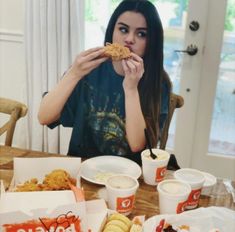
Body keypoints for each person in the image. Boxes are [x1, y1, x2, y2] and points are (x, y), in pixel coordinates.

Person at [38, 0, 171, 165]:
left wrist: (131, 89)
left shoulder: (158, 83)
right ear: (112, 32)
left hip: (128, 176)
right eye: (123, 29)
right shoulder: (88, 70)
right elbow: (44, 117)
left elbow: (137, 145)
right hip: (81, 168)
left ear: (152, 41)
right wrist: (74, 73)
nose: (129, 39)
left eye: (141, 34)